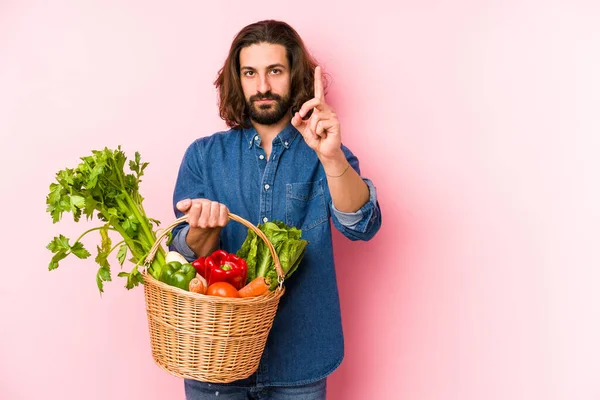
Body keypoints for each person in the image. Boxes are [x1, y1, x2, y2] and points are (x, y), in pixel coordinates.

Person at [170, 19, 382, 400]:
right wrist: (204, 229)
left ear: (294, 76)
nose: (263, 86)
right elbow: (182, 256)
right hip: (215, 362)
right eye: (250, 73)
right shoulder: (203, 155)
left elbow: (361, 225)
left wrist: (331, 159)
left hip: (300, 362)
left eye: (275, 71)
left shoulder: (324, 152)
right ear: (237, 80)